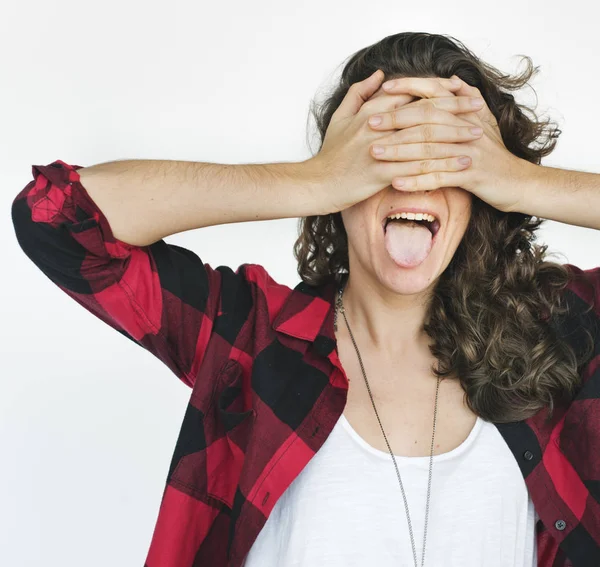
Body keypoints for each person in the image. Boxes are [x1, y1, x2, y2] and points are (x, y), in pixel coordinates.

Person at [10, 31, 600, 567]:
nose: (413, 180)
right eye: (384, 152)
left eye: (446, 160)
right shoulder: (251, 335)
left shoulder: (553, 336)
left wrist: (516, 181)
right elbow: (54, 216)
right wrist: (312, 180)